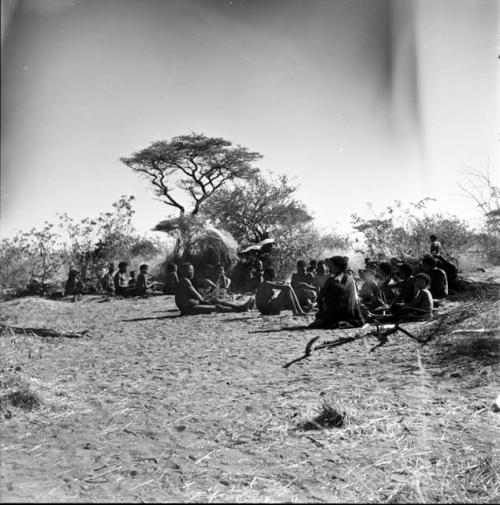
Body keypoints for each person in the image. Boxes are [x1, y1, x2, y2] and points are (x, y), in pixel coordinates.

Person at [175, 263, 254, 315]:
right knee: (217, 307)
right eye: (190, 271)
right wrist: (206, 302)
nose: (192, 272)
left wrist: (207, 300)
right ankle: (239, 309)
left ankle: (239, 307)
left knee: (216, 301)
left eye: (193, 270)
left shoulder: (184, 281)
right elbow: (198, 296)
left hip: (191, 306)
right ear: (183, 272)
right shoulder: (185, 281)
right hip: (189, 309)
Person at [309, 256, 364, 329]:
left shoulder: (332, 279)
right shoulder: (350, 279)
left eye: (331, 265)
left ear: (337, 266)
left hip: (333, 314)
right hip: (349, 313)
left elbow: (320, 298)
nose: (330, 268)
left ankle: (323, 319)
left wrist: (321, 311)